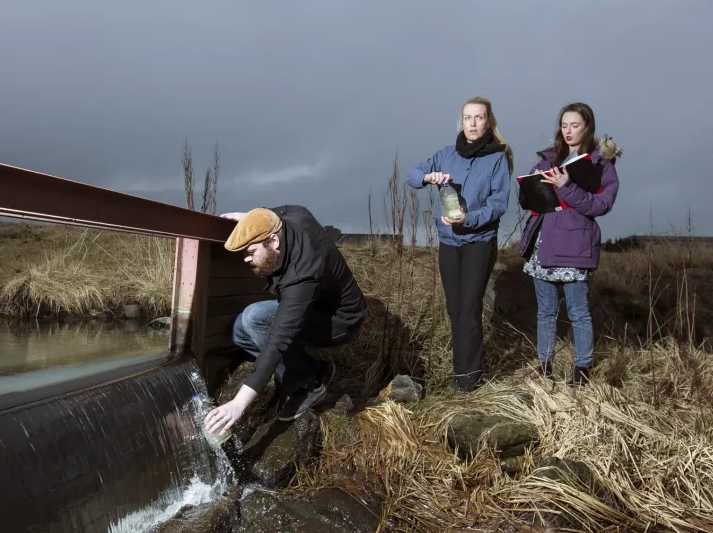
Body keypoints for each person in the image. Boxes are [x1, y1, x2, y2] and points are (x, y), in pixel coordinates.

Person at [204, 205, 366, 436]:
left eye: (250, 251)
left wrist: (239, 403)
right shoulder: (294, 217)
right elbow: (276, 214)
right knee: (239, 331)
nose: (246, 259)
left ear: (274, 242)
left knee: (254, 319)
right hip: (314, 306)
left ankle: (308, 386)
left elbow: (278, 340)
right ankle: (315, 369)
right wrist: (249, 220)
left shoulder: (303, 273)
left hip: (339, 321)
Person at [406, 97, 513, 391]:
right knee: (455, 309)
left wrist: (470, 219)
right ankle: (459, 375)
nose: (473, 123)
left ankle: (469, 379)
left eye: (479, 118)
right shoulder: (445, 154)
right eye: (468, 118)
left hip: (479, 241)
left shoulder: (497, 158)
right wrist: (429, 176)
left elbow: (499, 203)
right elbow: (411, 176)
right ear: (461, 122)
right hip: (449, 244)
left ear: (488, 122)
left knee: (469, 308)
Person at [518, 102, 621, 386]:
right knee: (546, 312)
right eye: (564, 125)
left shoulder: (601, 164)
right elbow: (528, 201)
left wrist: (567, 187)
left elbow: (601, 204)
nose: (568, 131)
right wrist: (530, 188)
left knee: (578, 313)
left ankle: (581, 373)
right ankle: (544, 368)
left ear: (588, 127)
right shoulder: (547, 159)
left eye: (575, 125)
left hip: (575, 246)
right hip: (544, 244)